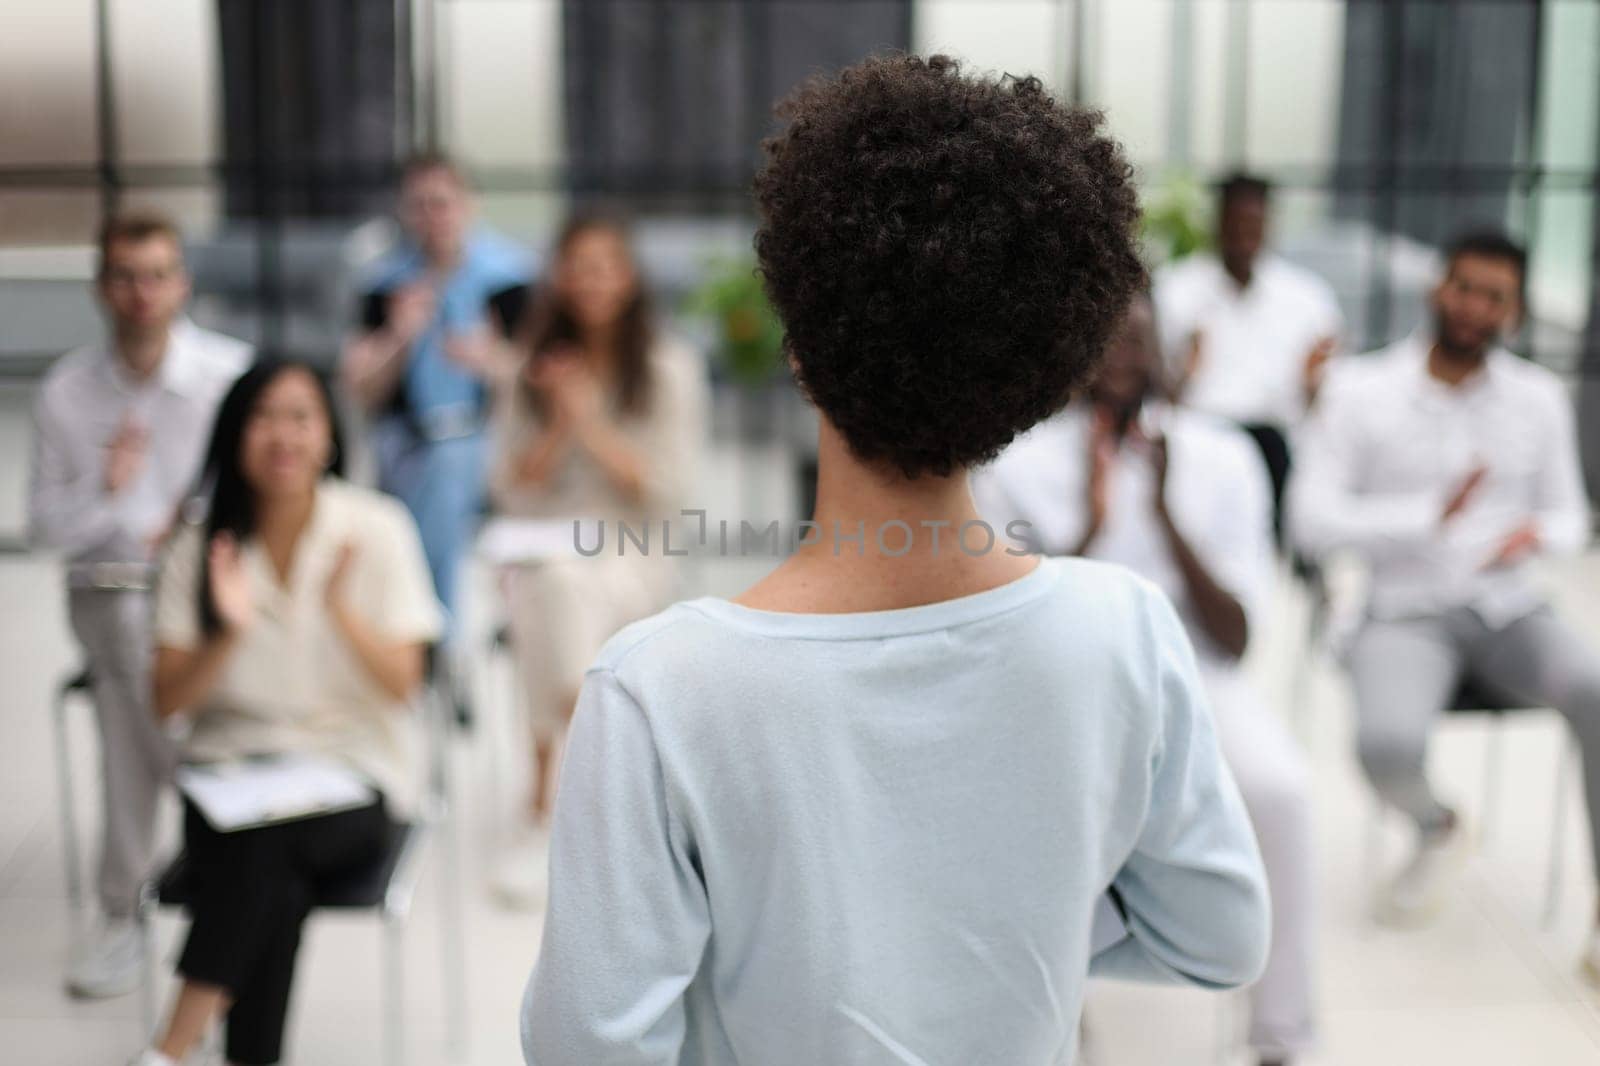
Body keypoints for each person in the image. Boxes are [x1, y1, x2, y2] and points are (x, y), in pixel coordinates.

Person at [521, 54, 1269, 1064]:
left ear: (798, 343)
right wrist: (1016, 929)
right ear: (1042, 370)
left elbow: (589, 1046)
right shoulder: (1124, 629)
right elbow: (1219, 938)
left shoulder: (658, 690)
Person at [974, 296, 1317, 1066]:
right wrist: (1093, 526)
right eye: (1104, 339)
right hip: (1065, 693)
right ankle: (1054, 1024)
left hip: (1198, 680)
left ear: (1163, 342)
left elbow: (1239, 633)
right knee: (1036, 805)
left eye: (1136, 337)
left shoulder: (1224, 455)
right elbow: (1014, 631)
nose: (1123, 355)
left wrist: (1165, 513)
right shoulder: (1019, 460)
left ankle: (1283, 1039)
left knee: (1284, 790)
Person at [1289, 232, 1600, 964]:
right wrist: (1428, 517)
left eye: (1494, 296)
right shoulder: (1358, 390)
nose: (1475, 307)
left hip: (1507, 607)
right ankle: (1436, 825)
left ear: (1514, 312)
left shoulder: (1538, 397)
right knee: (1386, 744)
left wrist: (1535, 535)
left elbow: (1571, 517)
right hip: (1405, 610)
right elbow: (1308, 519)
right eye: (1465, 288)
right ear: (1439, 289)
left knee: (1594, 687)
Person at [131, 359, 442, 1066]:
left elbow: (406, 683)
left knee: (266, 848)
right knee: (271, 867)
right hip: (227, 776)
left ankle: (170, 1049)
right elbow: (165, 700)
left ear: (329, 435)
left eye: (300, 417)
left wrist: (339, 609)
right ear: (235, 434)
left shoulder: (377, 527)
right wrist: (228, 630)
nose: (283, 436)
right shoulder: (199, 544)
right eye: (264, 417)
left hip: (351, 778)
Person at [27, 212, 251, 999]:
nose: (141, 292)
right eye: (125, 275)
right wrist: (114, 498)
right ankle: (210, 835)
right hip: (110, 593)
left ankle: (126, 904)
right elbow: (46, 526)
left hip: (206, 593)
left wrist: (188, 535)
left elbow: (263, 497)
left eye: (157, 274)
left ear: (182, 283)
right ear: (100, 288)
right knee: (128, 629)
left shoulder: (228, 376)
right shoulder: (66, 390)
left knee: (130, 724)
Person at [486, 212, 707, 908]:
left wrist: (586, 420)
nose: (590, 281)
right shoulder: (528, 368)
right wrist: (555, 422)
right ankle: (593, 807)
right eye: (576, 265)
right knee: (552, 584)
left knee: (557, 595)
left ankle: (547, 805)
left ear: (629, 275)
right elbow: (508, 484)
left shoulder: (670, 367)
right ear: (558, 276)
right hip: (544, 542)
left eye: (604, 265)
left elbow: (666, 489)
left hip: (633, 546)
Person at [341, 153, 530, 643]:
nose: (433, 217)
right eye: (420, 205)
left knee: (449, 469)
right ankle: (438, 632)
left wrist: (489, 362)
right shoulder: (385, 284)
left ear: (468, 205)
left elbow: (536, 374)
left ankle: (435, 629)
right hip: (404, 445)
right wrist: (401, 337)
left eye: (442, 203)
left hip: (481, 443)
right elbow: (359, 388)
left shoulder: (508, 278)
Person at [1152, 174, 1342, 541]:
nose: (1243, 235)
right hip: (1202, 439)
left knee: (1271, 546)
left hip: (1276, 444)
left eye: (1253, 224)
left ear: (1269, 224)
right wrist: (1185, 369)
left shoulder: (1308, 297)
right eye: (1234, 223)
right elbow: (1154, 387)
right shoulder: (1175, 289)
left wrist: (1314, 382)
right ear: (1217, 224)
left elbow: (1326, 395)